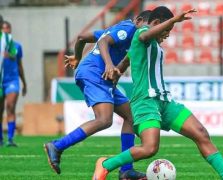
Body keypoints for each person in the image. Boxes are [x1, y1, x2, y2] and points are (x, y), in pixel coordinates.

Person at [92, 6, 223, 180]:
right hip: (146, 101)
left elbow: (127, 59)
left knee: (200, 133)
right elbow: (143, 35)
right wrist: (172, 20)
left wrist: (116, 72)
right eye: (167, 29)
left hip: (165, 101)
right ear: (156, 23)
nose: (168, 34)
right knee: (149, 148)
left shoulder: (150, 45)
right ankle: (105, 165)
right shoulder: (143, 32)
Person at [43, 11, 151, 179]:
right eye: (147, 26)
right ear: (138, 20)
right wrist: (108, 64)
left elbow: (81, 37)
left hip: (101, 76)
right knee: (104, 119)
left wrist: (77, 58)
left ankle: (126, 171)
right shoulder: (128, 29)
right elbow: (102, 41)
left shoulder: (119, 31)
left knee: (131, 116)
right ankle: (57, 146)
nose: (147, 31)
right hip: (95, 73)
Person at [0, 17, 18, 147]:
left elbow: (15, 57)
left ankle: (10, 139)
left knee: (10, 107)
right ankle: (0, 139)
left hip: (11, 80)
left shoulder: (8, 39)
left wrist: (9, 55)